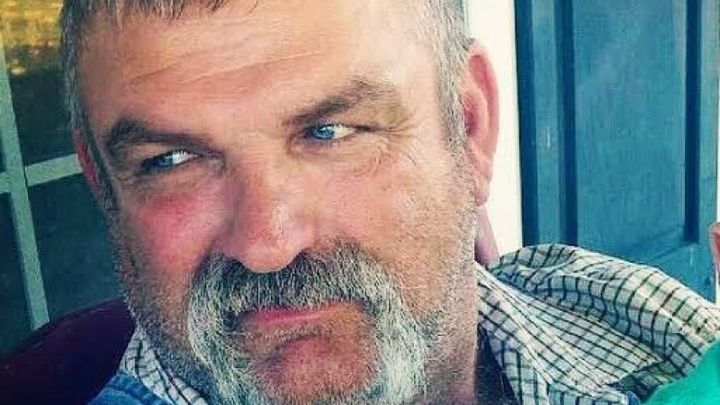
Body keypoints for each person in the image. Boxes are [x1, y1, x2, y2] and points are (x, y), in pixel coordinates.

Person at [60, 1, 720, 404]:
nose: (268, 243)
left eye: (330, 132)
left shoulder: (630, 314)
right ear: (102, 182)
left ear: (469, 126)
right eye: (170, 161)